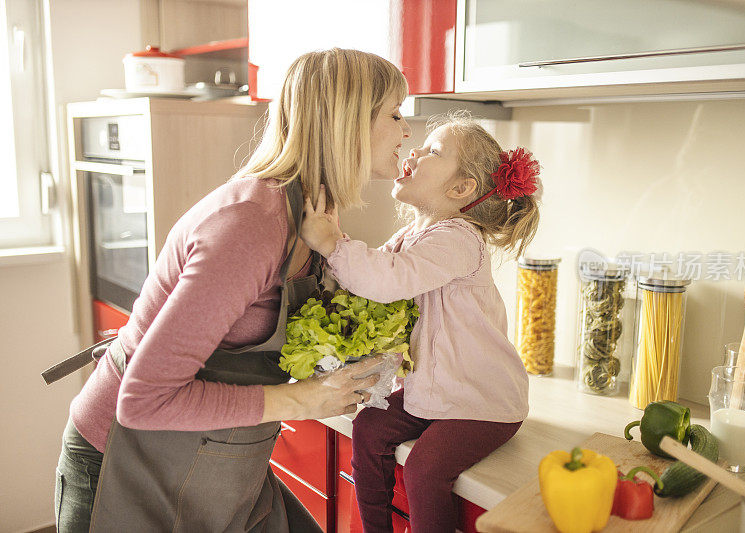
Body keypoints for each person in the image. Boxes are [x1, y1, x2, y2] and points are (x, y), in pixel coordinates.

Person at [47, 48, 411, 532]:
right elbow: (143, 399)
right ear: (349, 121)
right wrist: (304, 400)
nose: (407, 130)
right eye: (395, 113)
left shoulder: (314, 214)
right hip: (122, 465)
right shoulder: (251, 225)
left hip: (211, 457)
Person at [300, 111, 541, 532]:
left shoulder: (460, 239)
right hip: (431, 391)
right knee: (369, 428)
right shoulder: (414, 234)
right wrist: (334, 247)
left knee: (425, 471)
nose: (415, 150)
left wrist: (331, 243)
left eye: (433, 151)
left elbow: (389, 279)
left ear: (460, 188)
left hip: (481, 402)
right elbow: (370, 278)